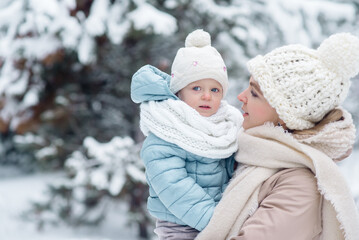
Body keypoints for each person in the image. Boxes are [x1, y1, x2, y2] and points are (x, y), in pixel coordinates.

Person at [195, 32, 359, 240]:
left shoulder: (299, 186)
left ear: (286, 117)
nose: (241, 96)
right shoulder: (248, 156)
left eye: (254, 93)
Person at [131, 29, 243, 239]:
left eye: (215, 90)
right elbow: (173, 185)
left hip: (218, 221)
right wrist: (216, 222)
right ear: (179, 91)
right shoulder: (167, 131)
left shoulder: (224, 127)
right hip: (180, 226)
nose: (207, 96)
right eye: (197, 88)